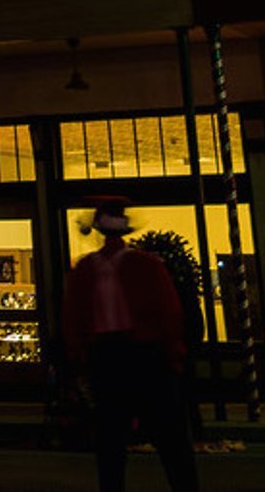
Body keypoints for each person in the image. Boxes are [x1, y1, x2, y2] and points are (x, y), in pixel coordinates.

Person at [62, 197, 198, 492]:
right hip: (143, 354)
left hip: (109, 355)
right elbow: (169, 311)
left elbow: (73, 316)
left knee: (111, 438)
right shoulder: (144, 264)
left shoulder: (87, 269)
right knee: (168, 437)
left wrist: (78, 356)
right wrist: (174, 354)